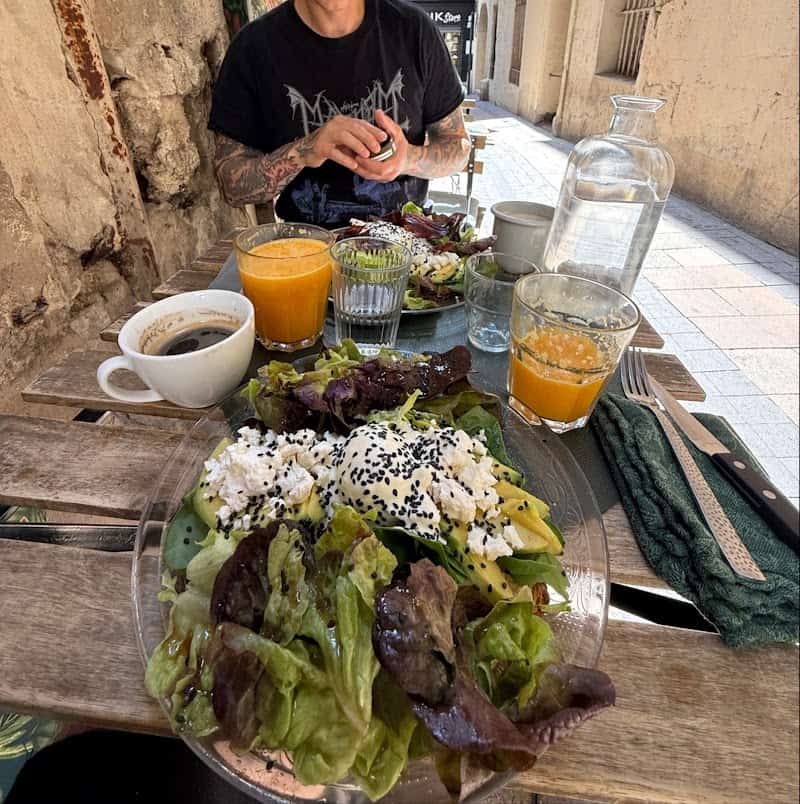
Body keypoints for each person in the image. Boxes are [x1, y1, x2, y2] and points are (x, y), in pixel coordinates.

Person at [208, 0, 471, 228]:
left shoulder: (414, 30)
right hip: (307, 250)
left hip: (404, 243)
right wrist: (304, 151)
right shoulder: (252, 48)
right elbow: (232, 187)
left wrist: (409, 159)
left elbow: (458, 148)